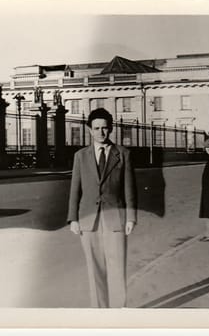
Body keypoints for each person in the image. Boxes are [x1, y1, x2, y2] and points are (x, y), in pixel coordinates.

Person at [67, 108, 137, 308]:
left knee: (117, 269)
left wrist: (131, 218)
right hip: (88, 220)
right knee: (94, 270)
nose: (101, 132)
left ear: (111, 129)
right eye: (96, 128)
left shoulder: (123, 154)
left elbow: (129, 188)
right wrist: (73, 219)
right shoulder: (80, 156)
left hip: (115, 219)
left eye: (105, 128)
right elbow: (75, 189)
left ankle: (118, 313)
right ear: (89, 130)